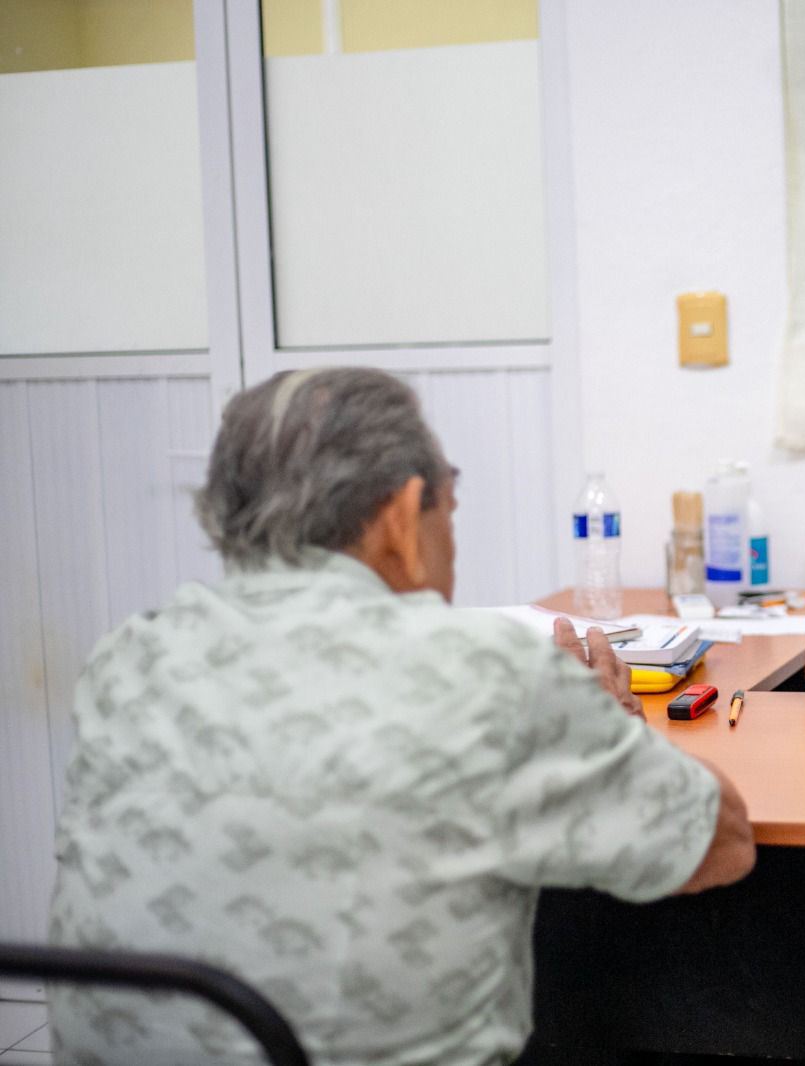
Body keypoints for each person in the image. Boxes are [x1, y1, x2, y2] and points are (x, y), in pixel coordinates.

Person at [48, 367, 755, 1065]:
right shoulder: (485, 673)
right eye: (450, 499)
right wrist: (605, 726)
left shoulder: (127, 660)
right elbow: (719, 845)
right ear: (403, 513)